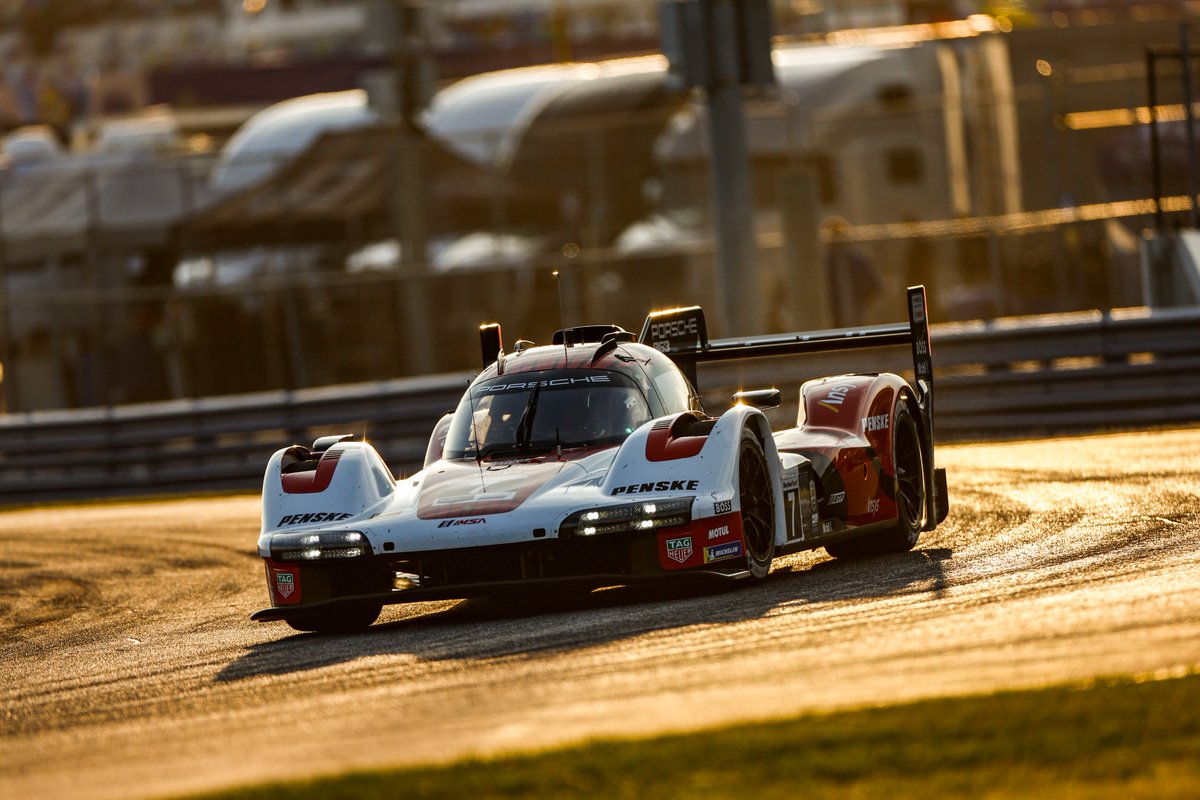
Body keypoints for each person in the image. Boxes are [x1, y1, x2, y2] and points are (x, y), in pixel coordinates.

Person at [823, 217, 882, 328]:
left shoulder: (856, 260)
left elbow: (874, 285)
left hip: (854, 313)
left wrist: (860, 300)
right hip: (833, 316)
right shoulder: (825, 262)